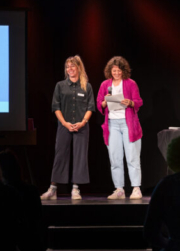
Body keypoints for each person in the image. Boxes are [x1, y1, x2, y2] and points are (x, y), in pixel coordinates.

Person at [41, 55, 95, 200]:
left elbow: (90, 107)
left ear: (78, 67)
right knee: (60, 155)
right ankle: (53, 189)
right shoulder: (60, 86)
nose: (69, 69)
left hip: (81, 126)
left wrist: (83, 122)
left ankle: (76, 188)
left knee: (79, 156)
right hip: (64, 126)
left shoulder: (86, 86)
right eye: (67, 67)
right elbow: (56, 107)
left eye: (72, 66)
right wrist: (65, 123)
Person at [96, 56, 144, 199]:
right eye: (114, 71)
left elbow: (139, 101)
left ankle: (136, 188)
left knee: (132, 157)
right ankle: (119, 189)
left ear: (124, 71)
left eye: (119, 71)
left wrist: (130, 102)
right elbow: (99, 102)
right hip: (112, 124)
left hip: (128, 123)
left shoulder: (130, 83)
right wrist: (104, 103)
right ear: (110, 71)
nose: (116, 73)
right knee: (115, 158)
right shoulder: (105, 84)